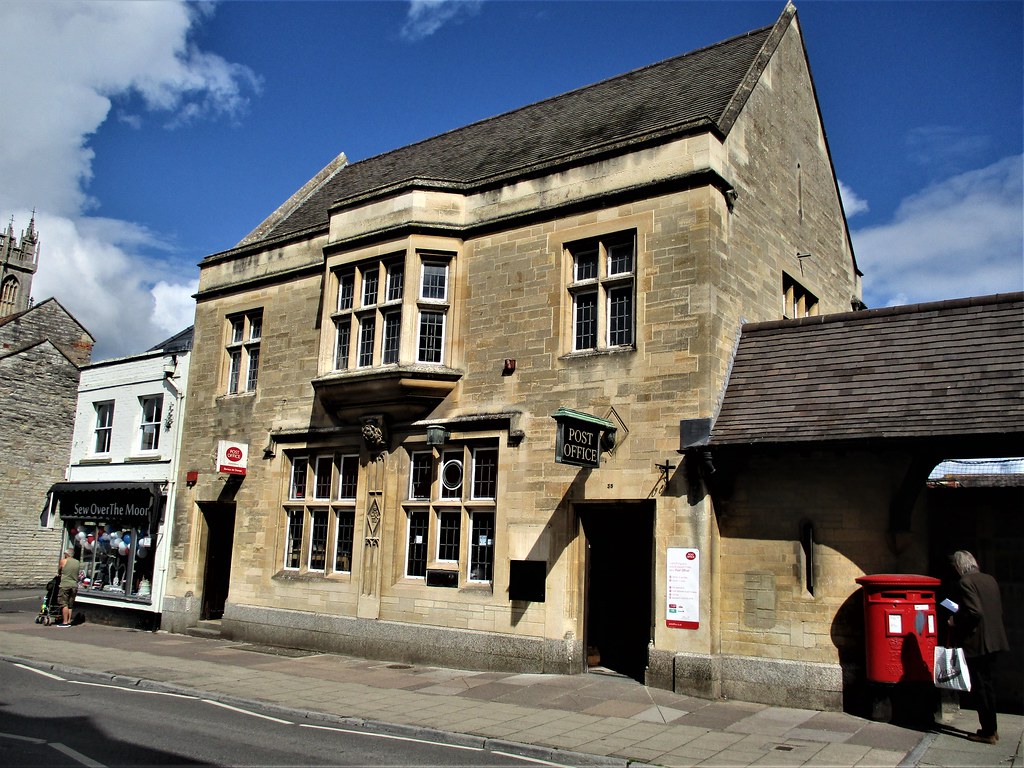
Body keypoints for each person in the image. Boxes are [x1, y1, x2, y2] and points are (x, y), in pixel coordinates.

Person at [948, 550, 1010, 744]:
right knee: (988, 685)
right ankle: (992, 728)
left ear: (959, 566)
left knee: (981, 687)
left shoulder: (965, 582)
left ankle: (988, 732)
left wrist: (955, 621)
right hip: (995, 639)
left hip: (978, 642)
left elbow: (975, 612)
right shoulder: (989, 579)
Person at [56, 546, 81, 627]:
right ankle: (69, 621)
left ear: (67, 554)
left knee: (64, 603)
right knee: (70, 604)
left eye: (65, 554)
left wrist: (59, 573)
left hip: (65, 585)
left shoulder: (63, 561)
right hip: (74, 585)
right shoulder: (77, 562)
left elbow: (59, 571)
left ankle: (65, 622)